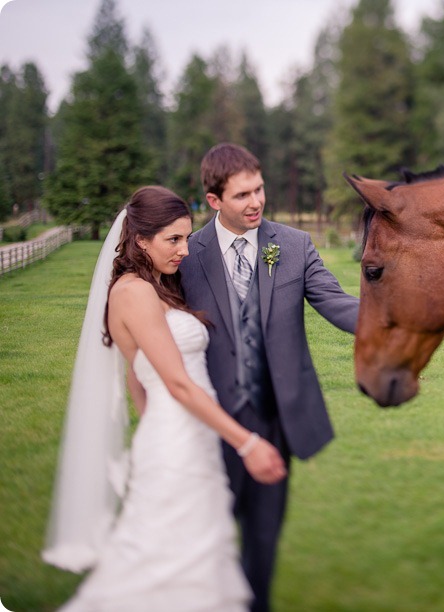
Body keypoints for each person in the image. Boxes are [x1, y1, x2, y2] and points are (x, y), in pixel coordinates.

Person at [42, 186, 287, 611]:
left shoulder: (157, 286)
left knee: (199, 555)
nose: (185, 251)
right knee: (162, 561)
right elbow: (176, 384)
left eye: (186, 237)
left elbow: (137, 379)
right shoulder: (133, 292)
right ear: (140, 239)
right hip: (175, 443)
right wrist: (246, 443)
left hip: (186, 438)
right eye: (173, 240)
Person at [179, 143, 360, 612]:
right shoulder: (189, 254)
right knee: (204, 542)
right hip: (209, 425)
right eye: (242, 195)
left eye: (259, 189)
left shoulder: (294, 246)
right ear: (214, 200)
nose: (256, 201)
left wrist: (404, 316)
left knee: (262, 543)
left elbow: (338, 305)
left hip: (276, 422)